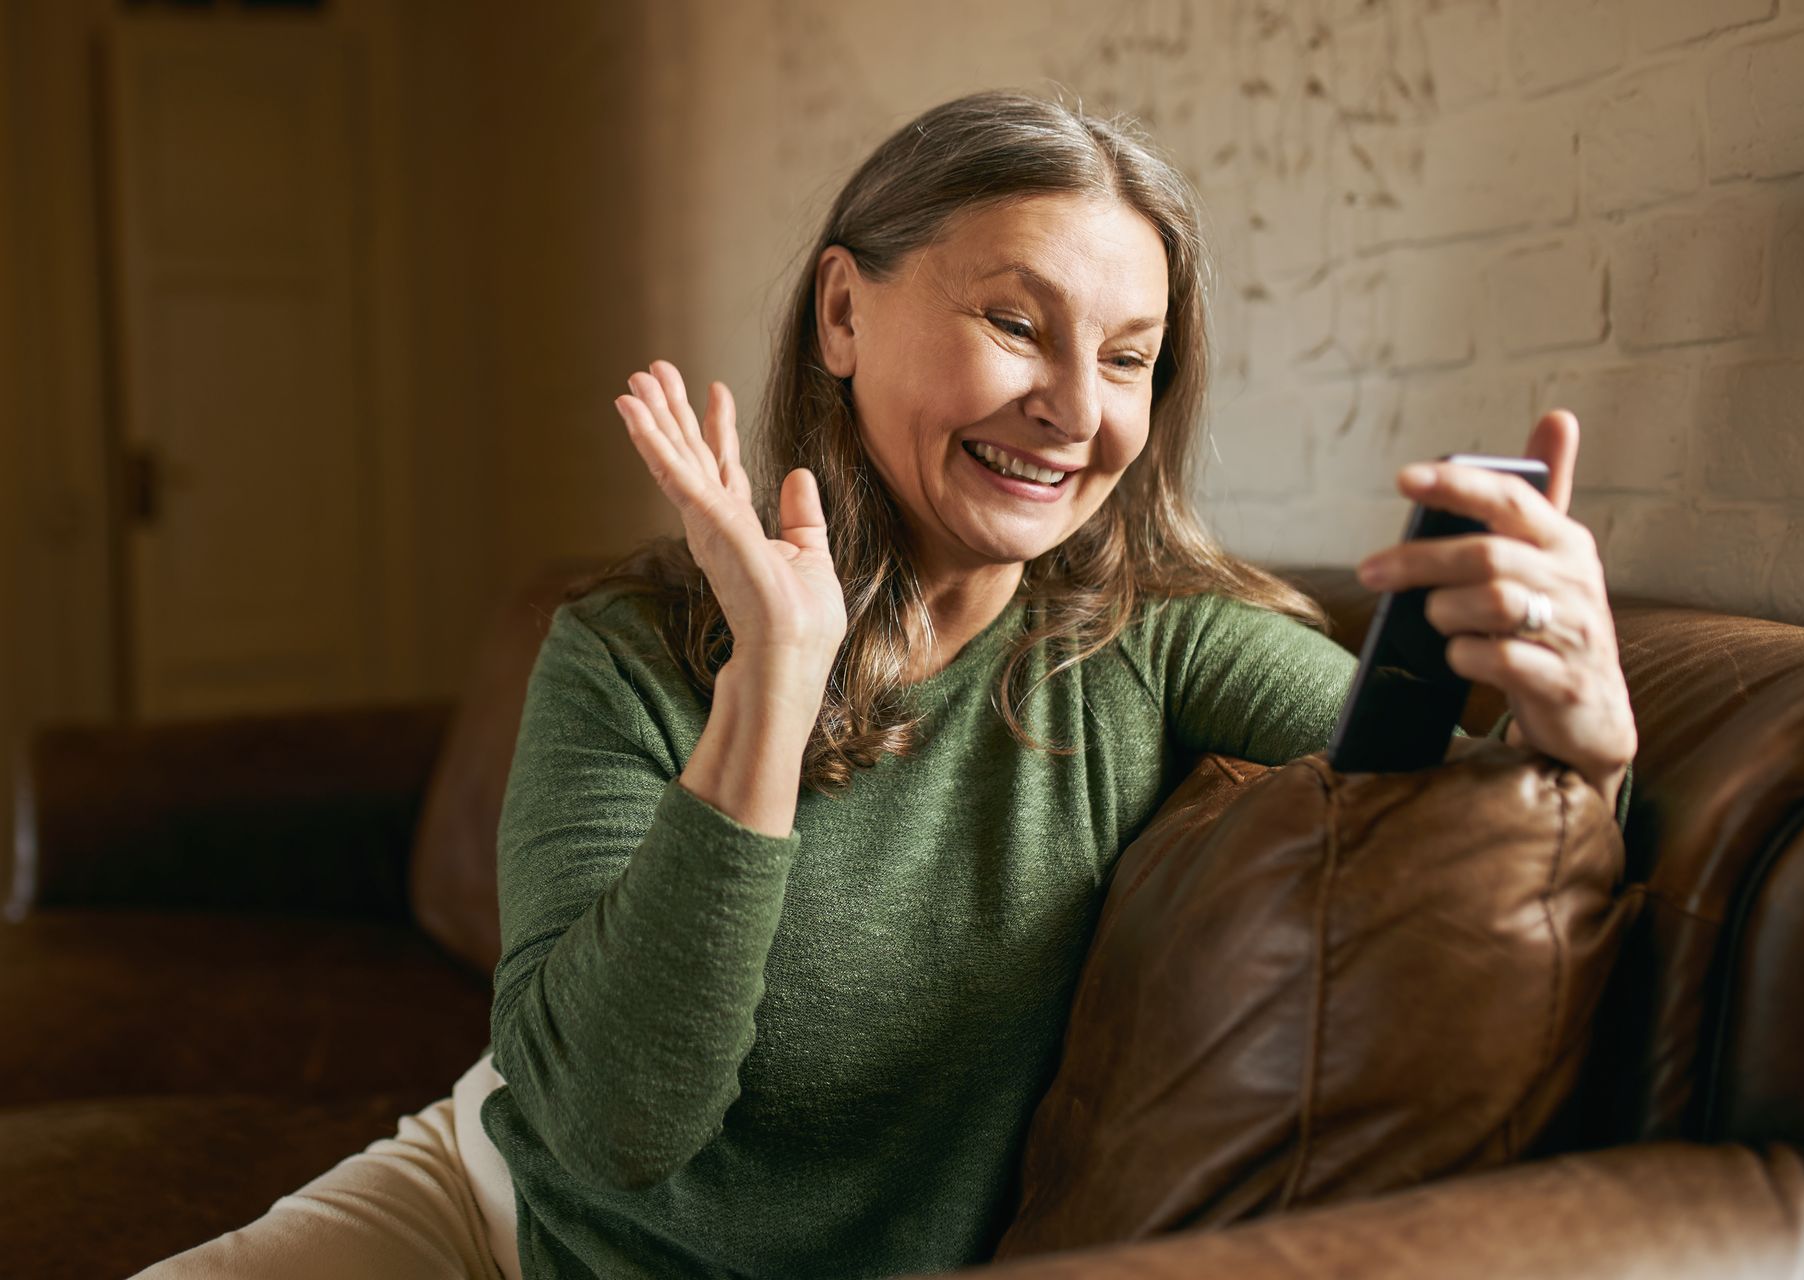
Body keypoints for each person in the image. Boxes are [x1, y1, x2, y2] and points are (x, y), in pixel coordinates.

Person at [134, 87, 1635, 1280]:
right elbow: (605, 1130)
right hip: (493, 1208)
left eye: (1130, 357)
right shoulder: (623, 654)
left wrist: (1588, 737)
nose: (1076, 410)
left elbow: (1444, 802)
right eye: (1015, 324)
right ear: (844, 316)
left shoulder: (1152, 640)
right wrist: (773, 687)